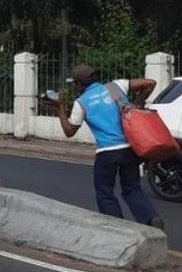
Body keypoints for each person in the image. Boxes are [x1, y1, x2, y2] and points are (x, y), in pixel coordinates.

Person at [43, 64, 163, 228]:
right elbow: (150, 83)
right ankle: (150, 218)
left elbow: (69, 131)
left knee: (104, 191)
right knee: (132, 188)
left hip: (107, 152)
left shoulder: (82, 102)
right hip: (130, 148)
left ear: (79, 84)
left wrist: (60, 107)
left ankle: (117, 226)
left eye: (75, 85)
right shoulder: (114, 88)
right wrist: (137, 103)